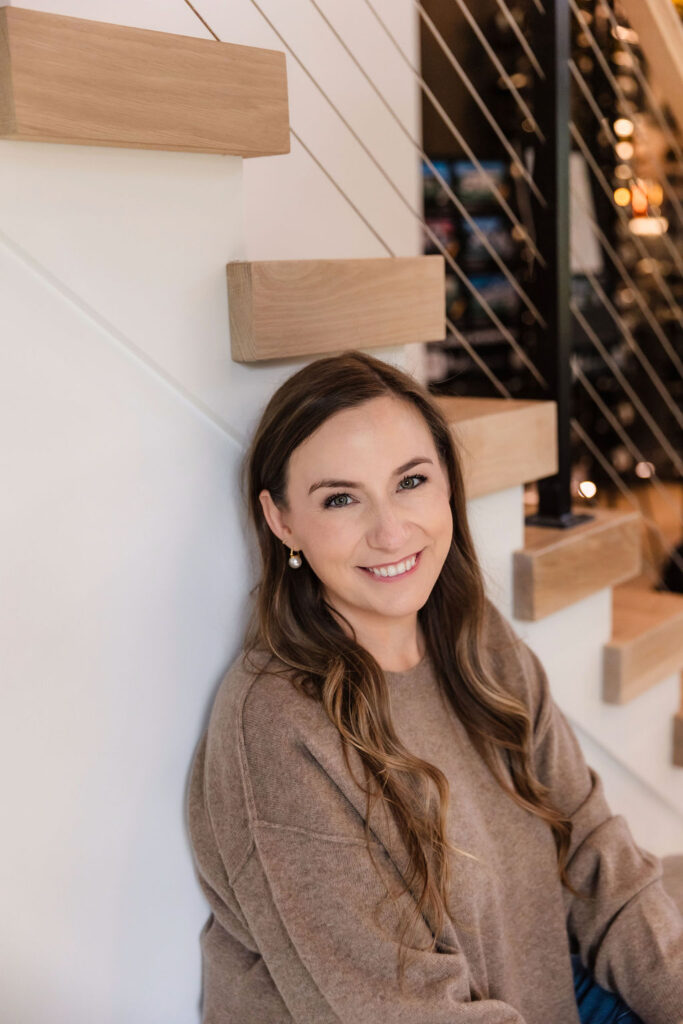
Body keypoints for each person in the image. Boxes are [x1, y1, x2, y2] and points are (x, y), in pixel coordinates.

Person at [186, 349, 683, 1023]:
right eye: (340, 498)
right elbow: (396, 1009)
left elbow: (594, 852)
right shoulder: (277, 727)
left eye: (410, 481)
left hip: (544, 985)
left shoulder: (474, 639)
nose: (390, 531)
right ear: (281, 521)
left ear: (446, 481)